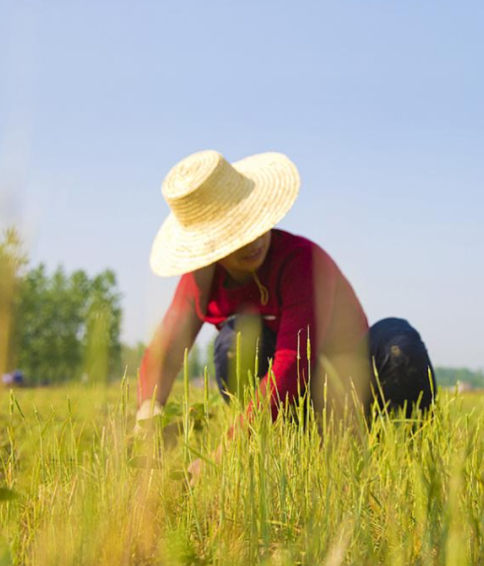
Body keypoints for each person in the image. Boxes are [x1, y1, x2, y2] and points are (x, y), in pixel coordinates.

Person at [135, 149, 435, 449]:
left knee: (399, 344)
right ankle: (279, 449)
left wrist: (227, 451)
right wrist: (148, 409)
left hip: (346, 385)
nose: (252, 241)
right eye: (234, 236)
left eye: (251, 223)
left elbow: (294, 362)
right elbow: (168, 349)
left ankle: (399, 450)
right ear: (208, 245)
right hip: (290, 411)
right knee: (237, 343)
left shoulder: (300, 262)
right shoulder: (202, 280)